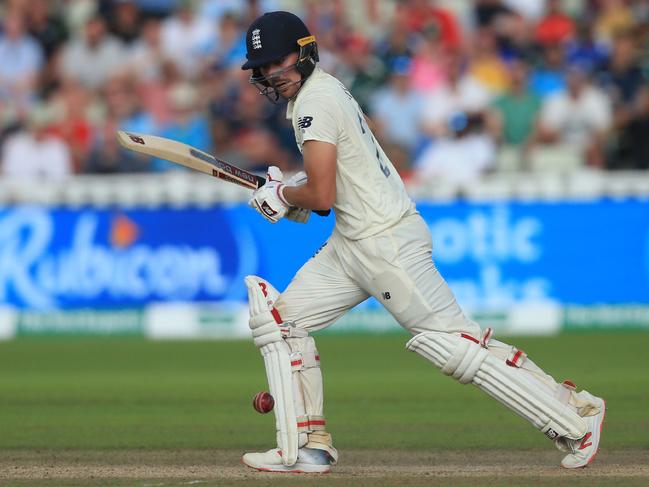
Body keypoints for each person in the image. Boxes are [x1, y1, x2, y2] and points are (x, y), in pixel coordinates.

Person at [239, 11, 605, 474]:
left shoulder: (316, 102)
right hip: (353, 242)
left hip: (386, 242)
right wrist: (290, 191)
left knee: (454, 345)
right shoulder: (321, 93)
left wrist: (284, 195)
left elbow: (322, 195)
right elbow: (334, 185)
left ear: (305, 51)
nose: (273, 72)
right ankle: (309, 444)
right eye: (264, 65)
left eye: (279, 60)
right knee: (280, 323)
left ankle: (576, 419)